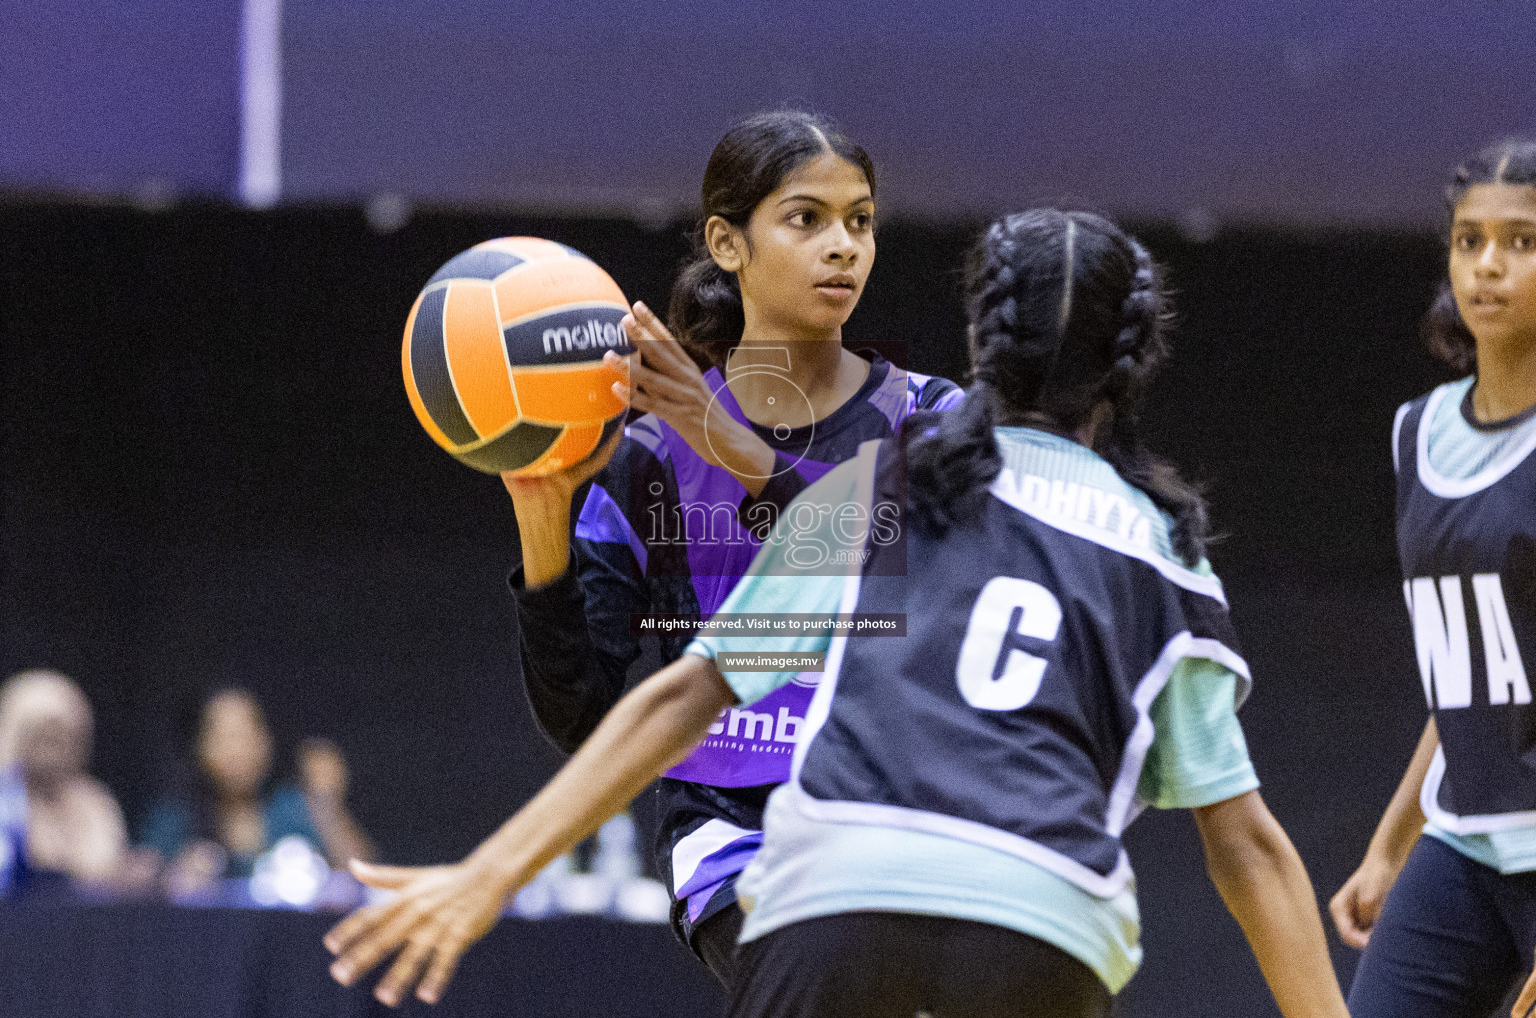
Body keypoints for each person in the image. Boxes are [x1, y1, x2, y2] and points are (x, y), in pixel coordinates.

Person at [325, 208, 1348, 1018]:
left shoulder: (881, 487)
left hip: (836, 892)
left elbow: (684, 693)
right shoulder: (1160, 548)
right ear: (1136, 358)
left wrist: (492, 870)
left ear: (982, 340)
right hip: (1043, 912)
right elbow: (1248, 846)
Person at [503, 108, 960, 980]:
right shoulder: (646, 459)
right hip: (735, 827)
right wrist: (540, 511)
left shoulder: (930, 417)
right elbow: (582, 718)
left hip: (907, 809)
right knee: (818, 974)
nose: (844, 247)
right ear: (726, 242)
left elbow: (884, 554)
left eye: (860, 221)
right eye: (807, 219)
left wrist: (731, 443)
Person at [1329, 140, 1536, 1018]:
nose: (1487, 265)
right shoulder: (1417, 434)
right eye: (1468, 240)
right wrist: (1388, 847)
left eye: (1521, 242)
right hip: (1463, 843)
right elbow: (1472, 673)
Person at [139, 687, 375, 892]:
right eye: (223, 737)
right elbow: (139, 880)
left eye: (245, 735)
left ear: (266, 743)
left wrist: (328, 804)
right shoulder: (175, 816)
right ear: (199, 747)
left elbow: (362, 874)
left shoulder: (293, 806)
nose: (236, 751)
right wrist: (171, 878)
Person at [0, 669, 136, 888]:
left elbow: (110, 871)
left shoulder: (96, 802)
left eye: (68, 738)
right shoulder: (7, 803)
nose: (57, 751)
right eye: (47, 737)